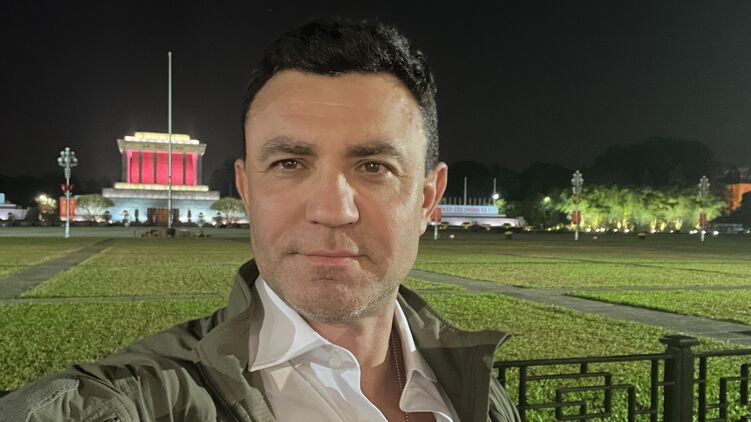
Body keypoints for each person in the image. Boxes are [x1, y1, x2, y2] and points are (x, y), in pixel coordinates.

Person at [0, 19, 520, 422]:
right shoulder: (146, 397)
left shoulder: (472, 384)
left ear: (428, 199)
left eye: (373, 167)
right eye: (290, 164)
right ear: (247, 190)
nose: (332, 210)